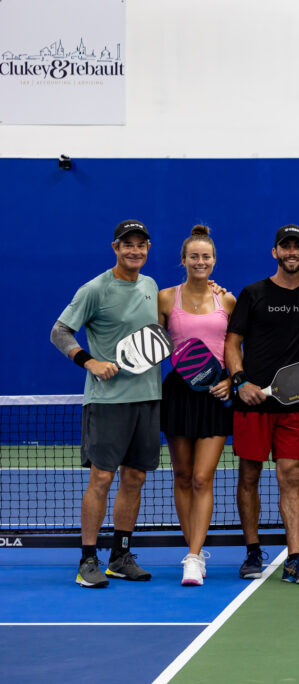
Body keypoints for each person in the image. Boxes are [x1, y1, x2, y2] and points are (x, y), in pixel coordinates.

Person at [50, 219, 161, 587]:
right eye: (127, 244)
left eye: (141, 245)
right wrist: (90, 361)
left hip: (148, 397)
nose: (135, 251)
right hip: (108, 401)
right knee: (102, 477)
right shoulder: (94, 289)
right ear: (115, 247)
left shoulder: (150, 285)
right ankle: (87, 559)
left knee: (135, 477)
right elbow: (60, 331)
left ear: (147, 248)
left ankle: (120, 556)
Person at [225, 224, 299, 585]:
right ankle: (252, 552)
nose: (292, 252)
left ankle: (295, 559)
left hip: (293, 405)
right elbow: (232, 343)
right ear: (275, 252)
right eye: (286, 247)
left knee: (290, 477)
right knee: (249, 476)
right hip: (252, 403)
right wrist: (240, 382)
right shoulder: (253, 293)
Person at [158, 225, 236, 586]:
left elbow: (236, 348)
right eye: (194, 256)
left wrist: (232, 380)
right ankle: (193, 551)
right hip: (178, 392)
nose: (200, 261)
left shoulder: (227, 301)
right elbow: (154, 346)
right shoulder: (164, 298)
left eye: (206, 256)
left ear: (214, 260)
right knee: (183, 476)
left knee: (204, 478)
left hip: (215, 394)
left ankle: (193, 556)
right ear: (183, 260)